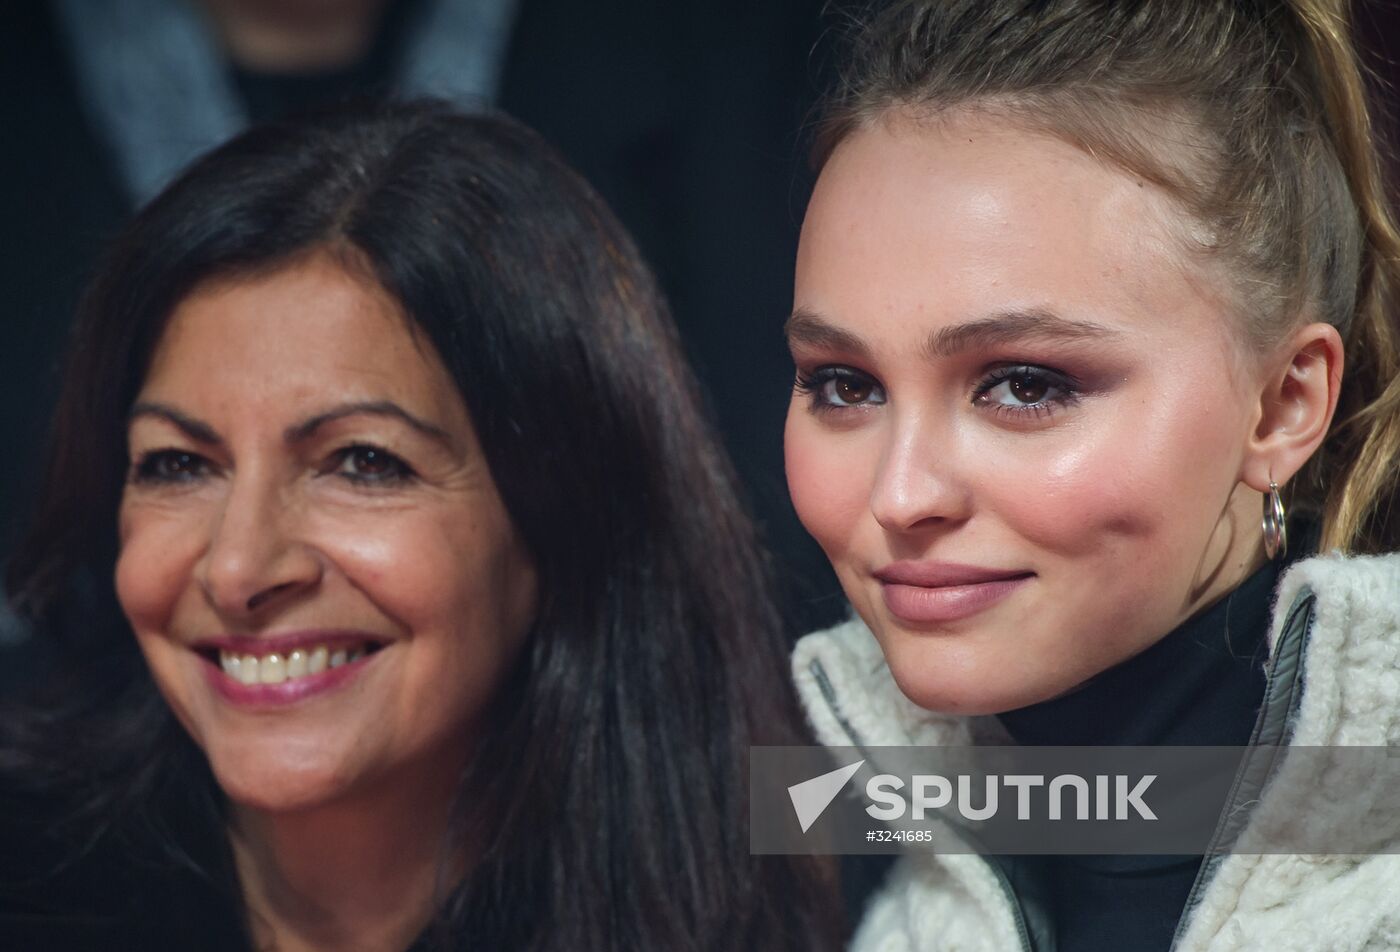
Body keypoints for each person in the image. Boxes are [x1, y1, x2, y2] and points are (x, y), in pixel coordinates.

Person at [0, 100, 841, 951]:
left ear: (565, 512)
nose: (238, 568)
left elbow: (918, 806)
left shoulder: (815, 825)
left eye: (363, 462)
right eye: (179, 465)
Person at [782, 0, 1400, 950]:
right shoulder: (828, 841)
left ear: (1282, 405)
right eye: (845, 385)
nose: (899, 496)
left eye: (1025, 386)